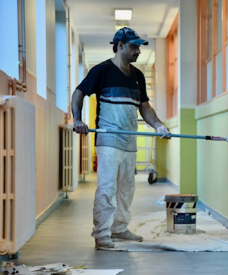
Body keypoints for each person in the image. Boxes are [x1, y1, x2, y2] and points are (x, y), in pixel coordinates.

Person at [71, 27, 170, 249]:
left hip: (129, 141)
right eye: (134, 46)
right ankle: (102, 234)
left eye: (138, 47)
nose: (138, 51)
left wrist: (159, 125)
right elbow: (79, 92)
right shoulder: (102, 70)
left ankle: (119, 228)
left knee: (126, 188)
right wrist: (77, 119)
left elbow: (144, 106)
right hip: (108, 139)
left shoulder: (138, 76)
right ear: (120, 45)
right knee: (107, 187)